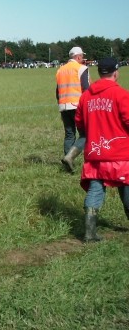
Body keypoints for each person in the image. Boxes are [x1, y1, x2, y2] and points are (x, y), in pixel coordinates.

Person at [75, 57, 129, 242]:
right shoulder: (121, 95)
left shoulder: (86, 96)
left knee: (95, 189)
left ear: (99, 73)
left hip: (95, 153)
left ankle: (89, 233)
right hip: (120, 154)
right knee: (127, 188)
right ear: (116, 72)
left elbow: (80, 124)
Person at [56, 46, 90, 172]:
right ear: (79, 56)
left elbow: (57, 91)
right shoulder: (81, 68)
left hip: (63, 105)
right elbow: (86, 89)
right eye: (82, 56)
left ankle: (67, 164)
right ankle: (70, 157)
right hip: (78, 106)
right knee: (85, 134)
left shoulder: (60, 70)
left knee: (69, 134)